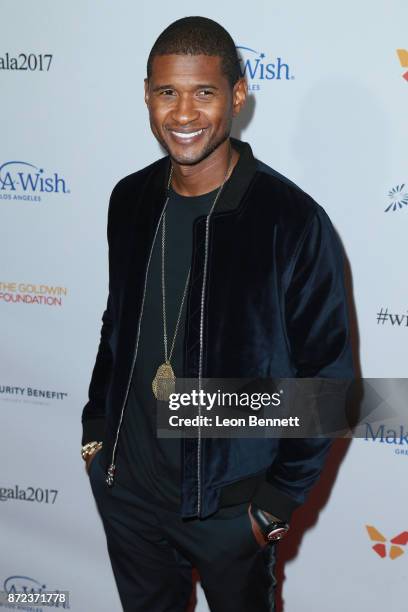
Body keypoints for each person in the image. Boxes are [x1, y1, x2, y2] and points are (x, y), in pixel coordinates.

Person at [81, 16, 354, 612]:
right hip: (129, 493)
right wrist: (96, 432)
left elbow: (330, 383)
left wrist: (271, 506)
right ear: (147, 95)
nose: (183, 114)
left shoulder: (291, 221)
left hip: (232, 509)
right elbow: (116, 323)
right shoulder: (129, 199)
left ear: (236, 95)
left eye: (204, 92)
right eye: (167, 93)